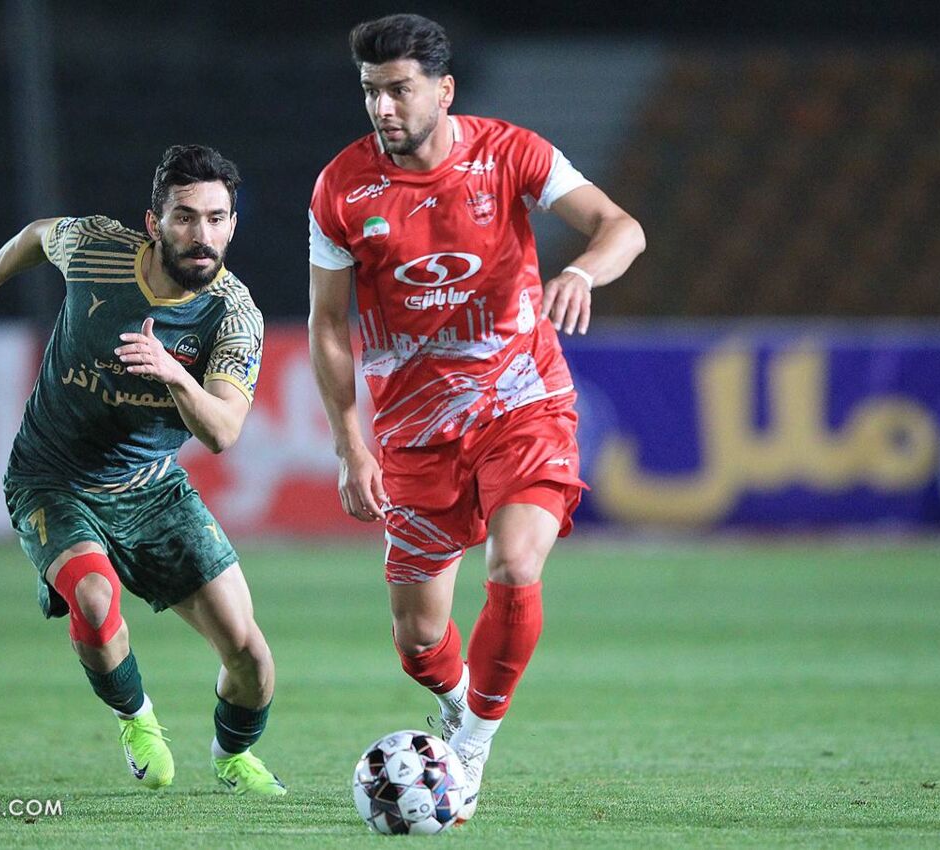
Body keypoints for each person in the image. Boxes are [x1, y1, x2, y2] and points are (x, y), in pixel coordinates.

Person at [308, 14, 645, 818]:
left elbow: (620, 227)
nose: (383, 108)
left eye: (400, 90)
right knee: (419, 642)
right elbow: (327, 325)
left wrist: (582, 274)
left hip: (519, 403)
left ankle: (471, 747)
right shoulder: (341, 189)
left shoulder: (509, 153)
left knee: (515, 566)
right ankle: (462, 707)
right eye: (371, 91)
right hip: (415, 435)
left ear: (444, 90)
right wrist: (351, 445)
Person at [0, 145, 285, 796]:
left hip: (151, 489)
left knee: (250, 658)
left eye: (217, 219)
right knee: (95, 600)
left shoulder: (234, 314)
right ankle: (137, 720)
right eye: (185, 217)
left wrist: (174, 373)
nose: (202, 234)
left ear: (233, 224)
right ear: (154, 224)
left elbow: (223, 432)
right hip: (52, 478)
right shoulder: (98, 249)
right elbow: (37, 236)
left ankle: (232, 757)